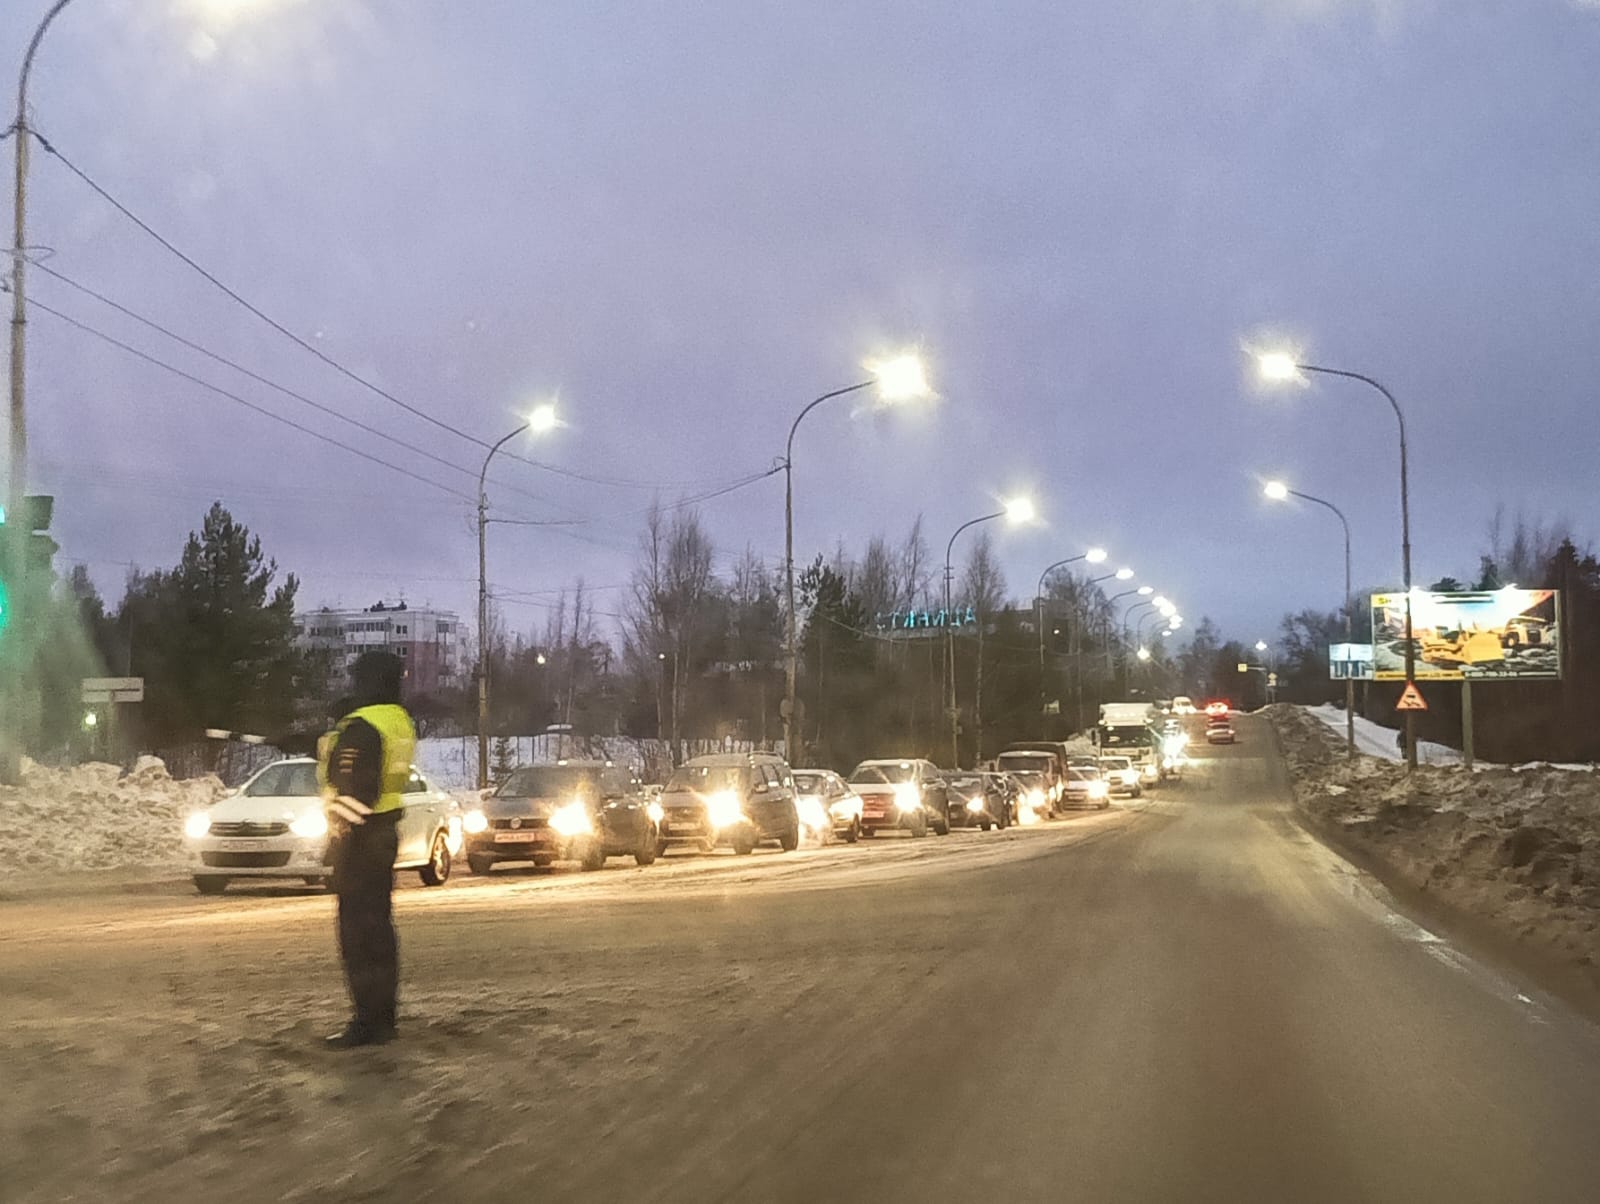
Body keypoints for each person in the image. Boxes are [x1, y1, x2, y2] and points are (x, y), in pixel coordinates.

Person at [318, 651, 416, 1050]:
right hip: (384, 834)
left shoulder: (363, 726)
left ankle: (366, 1021)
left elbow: (356, 790)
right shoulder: (397, 719)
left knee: (358, 935)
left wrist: (339, 842)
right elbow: (361, 763)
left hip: (362, 841)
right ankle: (383, 1018)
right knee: (378, 931)